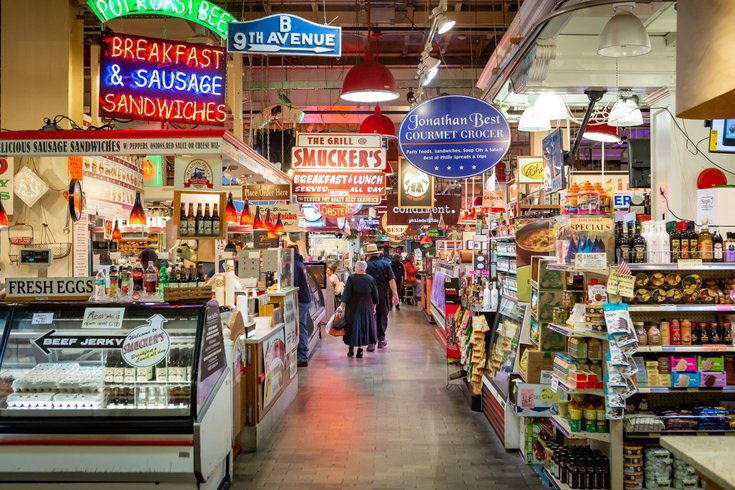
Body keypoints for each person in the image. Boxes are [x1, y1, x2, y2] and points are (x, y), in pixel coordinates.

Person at [337, 261, 378, 359]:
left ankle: (351, 350)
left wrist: (342, 307)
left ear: (356, 268)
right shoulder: (371, 279)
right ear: (365, 268)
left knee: (352, 327)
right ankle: (360, 351)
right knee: (364, 327)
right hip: (366, 307)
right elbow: (375, 297)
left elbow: (346, 295)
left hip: (352, 308)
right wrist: (374, 308)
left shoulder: (351, 278)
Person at [365, 243, 399, 351]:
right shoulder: (386, 264)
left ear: (368, 255)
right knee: (382, 316)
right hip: (383, 293)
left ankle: (371, 342)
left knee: (371, 316)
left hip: (368, 295)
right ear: (377, 254)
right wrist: (395, 294)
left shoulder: (365, 265)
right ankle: (381, 340)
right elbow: (391, 280)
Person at [291, 245, 313, 367]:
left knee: (297, 327)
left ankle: (301, 356)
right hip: (305, 299)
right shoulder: (300, 262)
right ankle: (303, 355)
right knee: (302, 326)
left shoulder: (294, 263)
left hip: (300, 299)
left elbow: (293, 283)